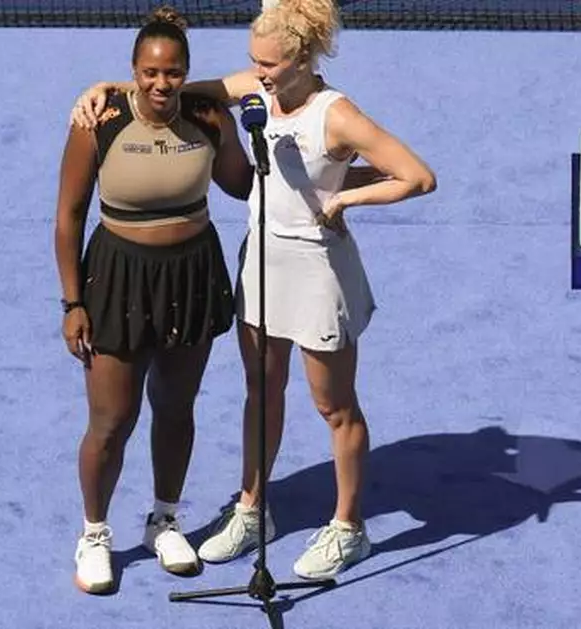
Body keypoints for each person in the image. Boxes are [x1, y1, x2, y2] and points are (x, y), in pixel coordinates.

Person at [68, 0, 436, 580]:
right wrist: (106, 85)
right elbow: (175, 86)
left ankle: (349, 527)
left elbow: (417, 176)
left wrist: (344, 196)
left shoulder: (337, 114)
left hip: (318, 268)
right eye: (253, 62)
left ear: (303, 58)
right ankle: (251, 509)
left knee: (332, 405)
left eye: (269, 64)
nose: (256, 74)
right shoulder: (256, 89)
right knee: (260, 393)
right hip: (262, 263)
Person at [54, 6, 256, 594]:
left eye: (172, 73)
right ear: (132, 73)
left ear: (187, 73)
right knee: (112, 420)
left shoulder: (207, 114)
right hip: (117, 278)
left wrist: (249, 130)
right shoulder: (100, 119)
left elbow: (241, 185)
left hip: (191, 275)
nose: (161, 84)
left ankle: (164, 520)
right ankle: (95, 534)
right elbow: (68, 217)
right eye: (149, 73)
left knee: (175, 408)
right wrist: (72, 304)